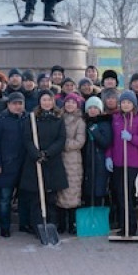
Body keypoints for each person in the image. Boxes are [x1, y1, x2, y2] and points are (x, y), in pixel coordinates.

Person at [20, 90, 69, 232]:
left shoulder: (58, 119)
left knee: (51, 198)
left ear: (53, 101)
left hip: (52, 162)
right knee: (36, 197)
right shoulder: (32, 118)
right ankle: (37, 226)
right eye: (44, 100)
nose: (47, 102)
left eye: (49, 100)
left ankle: (52, 225)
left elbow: (61, 139)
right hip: (35, 162)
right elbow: (27, 138)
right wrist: (36, 154)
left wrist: (48, 153)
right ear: (39, 102)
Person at [106, 90, 138, 236]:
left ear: (133, 104)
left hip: (132, 162)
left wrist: (131, 138)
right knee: (120, 194)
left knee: (127, 193)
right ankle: (123, 224)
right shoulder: (116, 118)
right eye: (123, 102)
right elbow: (111, 140)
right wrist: (109, 156)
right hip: (118, 161)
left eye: (128, 102)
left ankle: (131, 226)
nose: (125, 105)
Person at [0, 92, 28, 237]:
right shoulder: (0, 121)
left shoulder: (28, 119)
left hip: (24, 165)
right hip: (6, 165)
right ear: (9, 105)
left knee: (24, 198)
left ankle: (24, 224)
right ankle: (5, 227)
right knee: (5, 199)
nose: (18, 106)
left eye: (20, 103)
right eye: (15, 103)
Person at [56, 93, 86, 234]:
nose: (70, 105)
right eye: (68, 102)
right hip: (59, 158)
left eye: (73, 103)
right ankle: (61, 223)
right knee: (60, 191)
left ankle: (72, 223)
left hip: (73, 159)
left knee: (73, 191)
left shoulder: (80, 121)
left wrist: (62, 144)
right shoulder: (59, 118)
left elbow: (79, 142)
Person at [82, 96, 113, 209]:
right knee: (88, 191)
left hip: (99, 162)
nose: (92, 110)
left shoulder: (104, 123)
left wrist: (95, 131)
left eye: (95, 108)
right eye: (90, 108)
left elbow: (106, 142)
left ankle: (99, 213)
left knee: (98, 190)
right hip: (87, 162)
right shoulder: (85, 123)